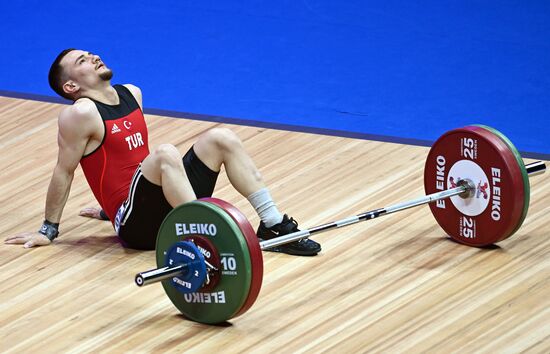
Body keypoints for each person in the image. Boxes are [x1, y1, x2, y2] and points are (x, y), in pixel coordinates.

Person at [5, 49, 321, 256]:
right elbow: (65, 170)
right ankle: (208, 236)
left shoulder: (132, 93)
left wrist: (105, 205)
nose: (93, 57)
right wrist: (49, 229)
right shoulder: (80, 113)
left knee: (221, 137)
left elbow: (126, 159)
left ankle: (273, 223)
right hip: (135, 229)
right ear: (71, 87)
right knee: (166, 152)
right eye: (82, 61)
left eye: (90, 53)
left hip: (154, 204)